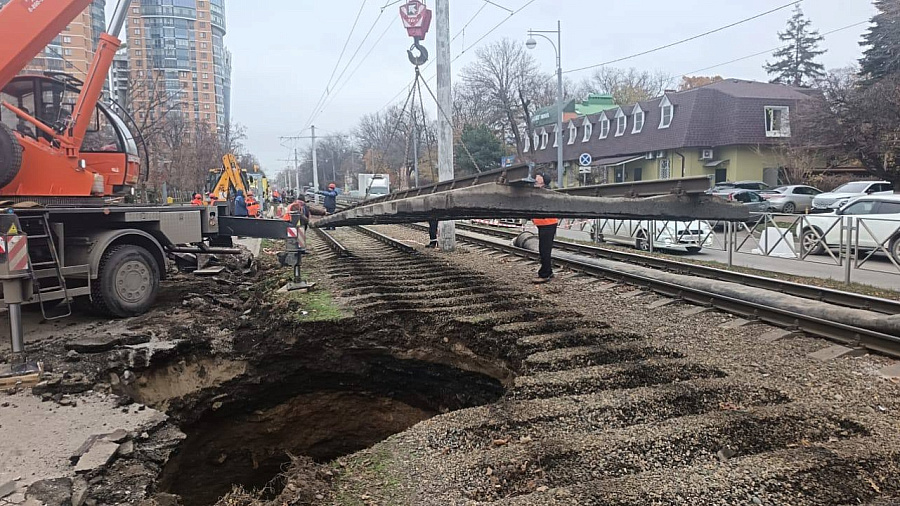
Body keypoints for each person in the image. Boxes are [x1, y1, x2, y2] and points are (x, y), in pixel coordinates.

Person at [531, 174, 558, 283]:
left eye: (538, 178)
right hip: (545, 224)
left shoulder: (545, 192)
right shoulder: (542, 191)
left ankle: (544, 274)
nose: (535, 180)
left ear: (543, 182)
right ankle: (549, 271)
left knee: (544, 250)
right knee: (544, 249)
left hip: (548, 224)